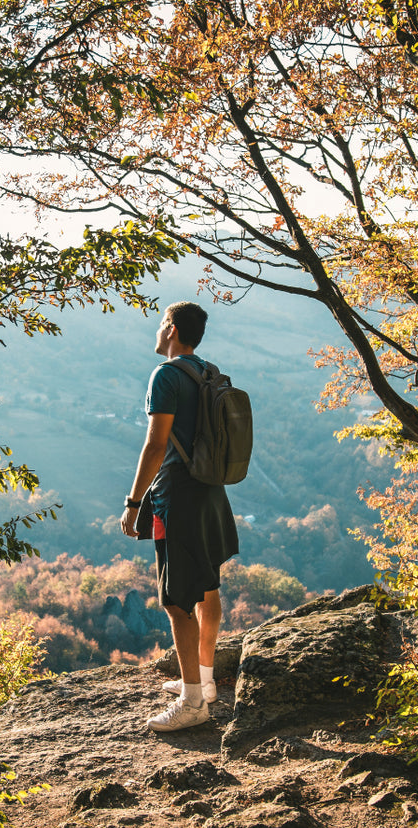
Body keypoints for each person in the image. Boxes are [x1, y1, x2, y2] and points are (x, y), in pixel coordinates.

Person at [120, 301, 239, 732]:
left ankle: (192, 704)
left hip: (179, 498)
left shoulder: (166, 375)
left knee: (175, 600)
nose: (156, 331)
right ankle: (203, 682)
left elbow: (156, 445)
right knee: (207, 586)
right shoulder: (208, 371)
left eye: (159, 323)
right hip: (212, 491)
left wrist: (134, 503)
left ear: (171, 328)